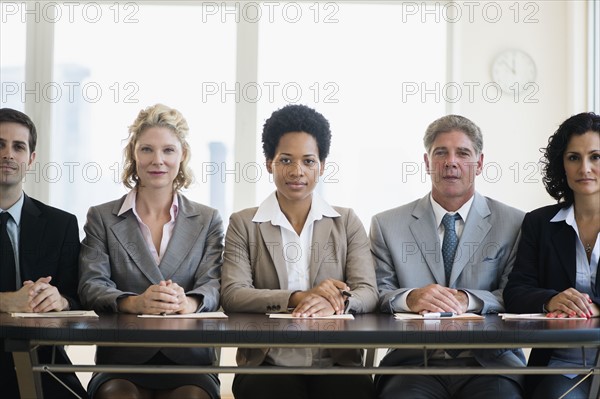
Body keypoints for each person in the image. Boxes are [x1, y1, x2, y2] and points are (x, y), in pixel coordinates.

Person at [221, 104, 378, 399]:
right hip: (267, 365)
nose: (297, 172)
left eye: (308, 161)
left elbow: (368, 292)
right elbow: (232, 293)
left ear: (322, 165)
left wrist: (337, 302)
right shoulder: (244, 224)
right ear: (269, 163)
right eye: (285, 160)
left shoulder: (346, 222)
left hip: (337, 362)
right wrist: (297, 298)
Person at [370, 114, 526, 399]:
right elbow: (377, 294)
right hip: (413, 365)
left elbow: (517, 294)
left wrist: (471, 299)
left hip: (492, 365)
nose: (451, 162)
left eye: (463, 153)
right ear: (427, 162)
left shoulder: (515, 223)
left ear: (478, 164)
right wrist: (410, 298)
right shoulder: (386, 225)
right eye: (441, 152)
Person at [78, 104, 223, 399]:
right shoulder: (102, 218)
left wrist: (190, 303)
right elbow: (91, 285)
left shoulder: (207, 219)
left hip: (189, 359)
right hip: (122, 357)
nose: (158, 160)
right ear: (134, 153)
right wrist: (136, 303)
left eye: (168, 150)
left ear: (182, 155)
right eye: (147, 150)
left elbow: (214, 284)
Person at [504, 112, 600, 399]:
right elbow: (516, 291)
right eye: (574, 157)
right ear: (562, 164)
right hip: (560, 366)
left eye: (596, 157)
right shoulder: (539, 224)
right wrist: (549, 299)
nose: (585, 168)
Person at [0, 108, 87, 398]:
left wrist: (60, 300)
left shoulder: (61, 224)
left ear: (31, 159)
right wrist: (6, 301)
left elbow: (78, 297)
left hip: (44, 362)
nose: (8, 154)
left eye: (18, 146)